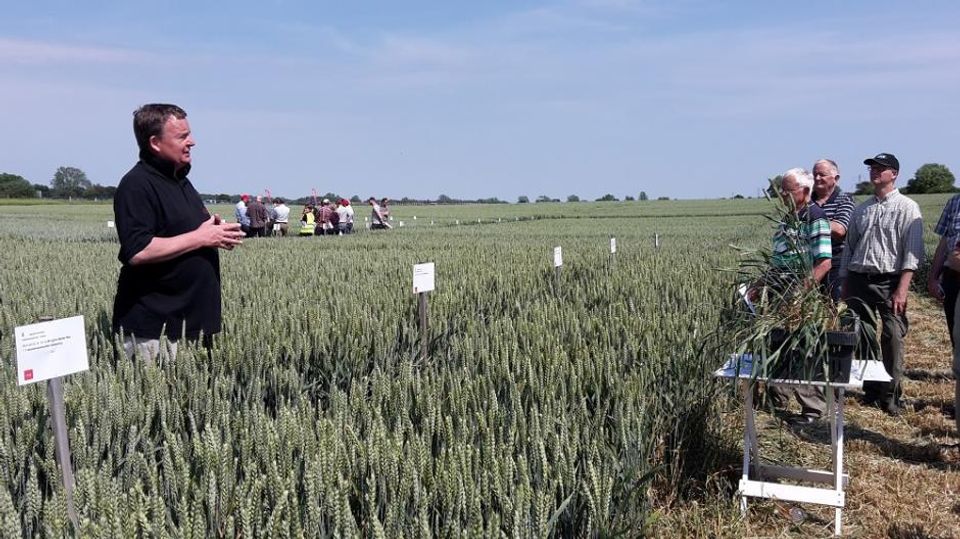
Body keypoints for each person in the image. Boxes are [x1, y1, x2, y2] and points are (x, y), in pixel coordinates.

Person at [112, 103, 244, 360]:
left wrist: (213, 233)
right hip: (156, 332)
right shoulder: (136, 185)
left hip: (190, 326)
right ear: (155, 142)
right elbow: (138, 250)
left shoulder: (180, 182)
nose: (192, 142)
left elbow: (186, 234)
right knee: (152, 399)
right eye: (182, 136)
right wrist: (201, 237)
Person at [840, 153, 924, 416]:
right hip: (858, 279)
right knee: (863, 337)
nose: (874, 172)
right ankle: (871, 390)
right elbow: (849, 248)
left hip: (890, 281)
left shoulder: (908, 207)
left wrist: (903, 289)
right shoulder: (862, 209)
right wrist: (844, 281)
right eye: (872, 168)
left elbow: (912, 253)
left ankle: (891, 395)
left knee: (892, 337)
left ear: (894, 174)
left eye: (881, 168)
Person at [765, 168, 833, 423]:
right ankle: (777, 399)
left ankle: (812, 409)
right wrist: (762, 283)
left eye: (787, 189)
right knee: (779, 342)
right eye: (781, 189)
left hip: (803, 295)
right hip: (779, 291)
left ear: (804, 191)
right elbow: (777, 259)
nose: (782, 194)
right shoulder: (787, 220)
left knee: (806, 347)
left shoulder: (815, 217)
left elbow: (824, 263)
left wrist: (799, 294)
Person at [928, 193, 960, 436]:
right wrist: (933, 276)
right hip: (953, 278)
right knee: (956, 339)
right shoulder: (955, 202)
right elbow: (944, 242)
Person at [812, 159, 856, 301]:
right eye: (815, 175)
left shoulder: (845, 200)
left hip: (836, 263)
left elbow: (840, 229)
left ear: (836, 178)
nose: (817, 178)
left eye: (822, 174)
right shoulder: (808, 200)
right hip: (810, 262)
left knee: (836, 305)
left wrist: (811, 221)